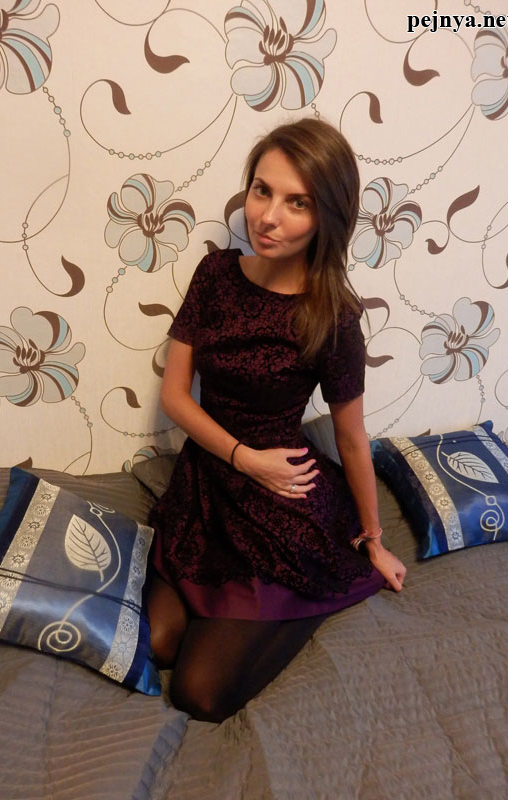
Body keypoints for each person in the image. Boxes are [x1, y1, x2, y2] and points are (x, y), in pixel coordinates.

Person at [147, 118, 406, 723]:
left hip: (282, 497)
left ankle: (304, 600)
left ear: (326, 217)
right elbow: (176, 398)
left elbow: (351, 438)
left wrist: (373, 541)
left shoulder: (333, 317)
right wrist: (243, 458)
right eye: (262, 191)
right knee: (158, 643)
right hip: (208, 482)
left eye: (297, 203)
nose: (268, 217)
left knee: (199, 694)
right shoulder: (215, 276)